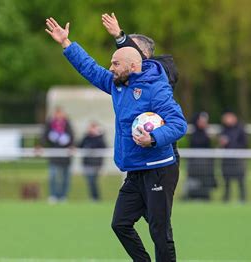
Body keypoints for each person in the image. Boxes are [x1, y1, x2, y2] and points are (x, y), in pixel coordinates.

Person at [46, 17, 187, 261]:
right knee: (120, 224)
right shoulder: (118, 84)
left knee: (159, 231)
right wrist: (67, 43)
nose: (110, 67)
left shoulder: (156, 87)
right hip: (134, 170)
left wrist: (153, 138)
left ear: (134, 64)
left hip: (158, 169)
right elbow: (90, 68)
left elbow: (179, 125)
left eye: (115, 63)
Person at [101, 13, 181, 166]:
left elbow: (178, 125)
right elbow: (92, 70)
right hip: (138, 161)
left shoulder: (163, 69)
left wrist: (120, 37)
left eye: (130, 49)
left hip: (162, 159)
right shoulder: (126, 81)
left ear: (141, 55)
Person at [41, 107, 74, 203]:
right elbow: (44, 137)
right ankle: (53, 195)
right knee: (53, 176)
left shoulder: (67, 124)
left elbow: (72, 137)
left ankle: (63, 196)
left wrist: (70, 144)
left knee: (65, 177)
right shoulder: (50, 124)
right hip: (54, 155)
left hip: (65, 156)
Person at [184, 112, 216, 200]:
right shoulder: (194, 133)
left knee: (205, 181)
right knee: (194, 181)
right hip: (194, 164)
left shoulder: (209, 133)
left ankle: (205, 196)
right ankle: (192, 196)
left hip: (206, 165)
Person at [219, 110, 248, 202]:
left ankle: (242, 199)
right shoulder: (223, 129)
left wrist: (230, 144)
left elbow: (245, 143)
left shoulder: (241, 129)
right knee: (226, 180)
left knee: (241, 180)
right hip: (226, 159)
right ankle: (226, 198)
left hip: (238, 159)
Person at [79, 121, 107, 201]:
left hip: (96, 163)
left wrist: (97, 135)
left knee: (93, 181)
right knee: (90, 181)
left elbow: (103, 146)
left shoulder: (100, 138)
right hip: (87, 162)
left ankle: (96, 197)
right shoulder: (86, 137)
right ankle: (93, 197)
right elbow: (80, 145)